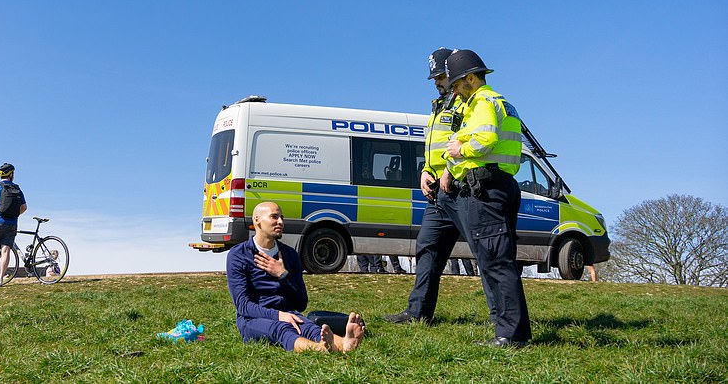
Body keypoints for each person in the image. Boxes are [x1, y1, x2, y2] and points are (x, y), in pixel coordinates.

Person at [441, 49, 531, 347]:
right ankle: (512, 332)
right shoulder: (502, 102)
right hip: (501, 185)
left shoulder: (481, 102)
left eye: (456, 83)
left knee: (495, 262)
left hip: (485, 189)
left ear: (469, 78)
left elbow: (485, 139)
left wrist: (460, 150)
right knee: (500, 261)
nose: (453, 90)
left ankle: (510, 335)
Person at [385, 48, 471, 325]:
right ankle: (417, 312)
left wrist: (449, 171)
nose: (436, 81)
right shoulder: (439, 104)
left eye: (441, 75)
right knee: (427, 248)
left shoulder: (466, 102)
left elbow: (467, 142)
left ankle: (504, 322)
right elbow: (434, 146)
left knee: (485, 252)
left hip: (462, 186)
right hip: (437, 192)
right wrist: (425, 171)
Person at [226, 201, 366, 352]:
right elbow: (243, 305)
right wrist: (278, 315)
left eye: (282, 218)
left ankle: (345, 343)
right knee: (281, 329)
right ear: (257, 220)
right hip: (252, 320)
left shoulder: (290, 255)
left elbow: (301, 304)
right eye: (274, 217)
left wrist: (283, 275)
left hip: (289, 314)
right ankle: (321, 349)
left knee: (311, 328)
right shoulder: (239, 255)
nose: (280, 222)